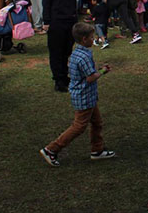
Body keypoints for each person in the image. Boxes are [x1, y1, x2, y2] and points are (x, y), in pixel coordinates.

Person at [40, 22, 115, 166]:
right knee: (79, 126)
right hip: (84, 96)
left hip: (88, 96)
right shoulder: (84, 57)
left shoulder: (78, 53)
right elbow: (90, 77)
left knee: (97, 122)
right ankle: (51, 149)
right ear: (84, 39)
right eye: (92, 37)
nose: (93, 39)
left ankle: (97, 150)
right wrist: (103, 71)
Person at [43, 0, 86, 92]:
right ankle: (58, 78)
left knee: (67, 49)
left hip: (70, 19)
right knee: (56, 51)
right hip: (56, 20)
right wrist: (46, 21)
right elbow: (46, 1)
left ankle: (65, 74)